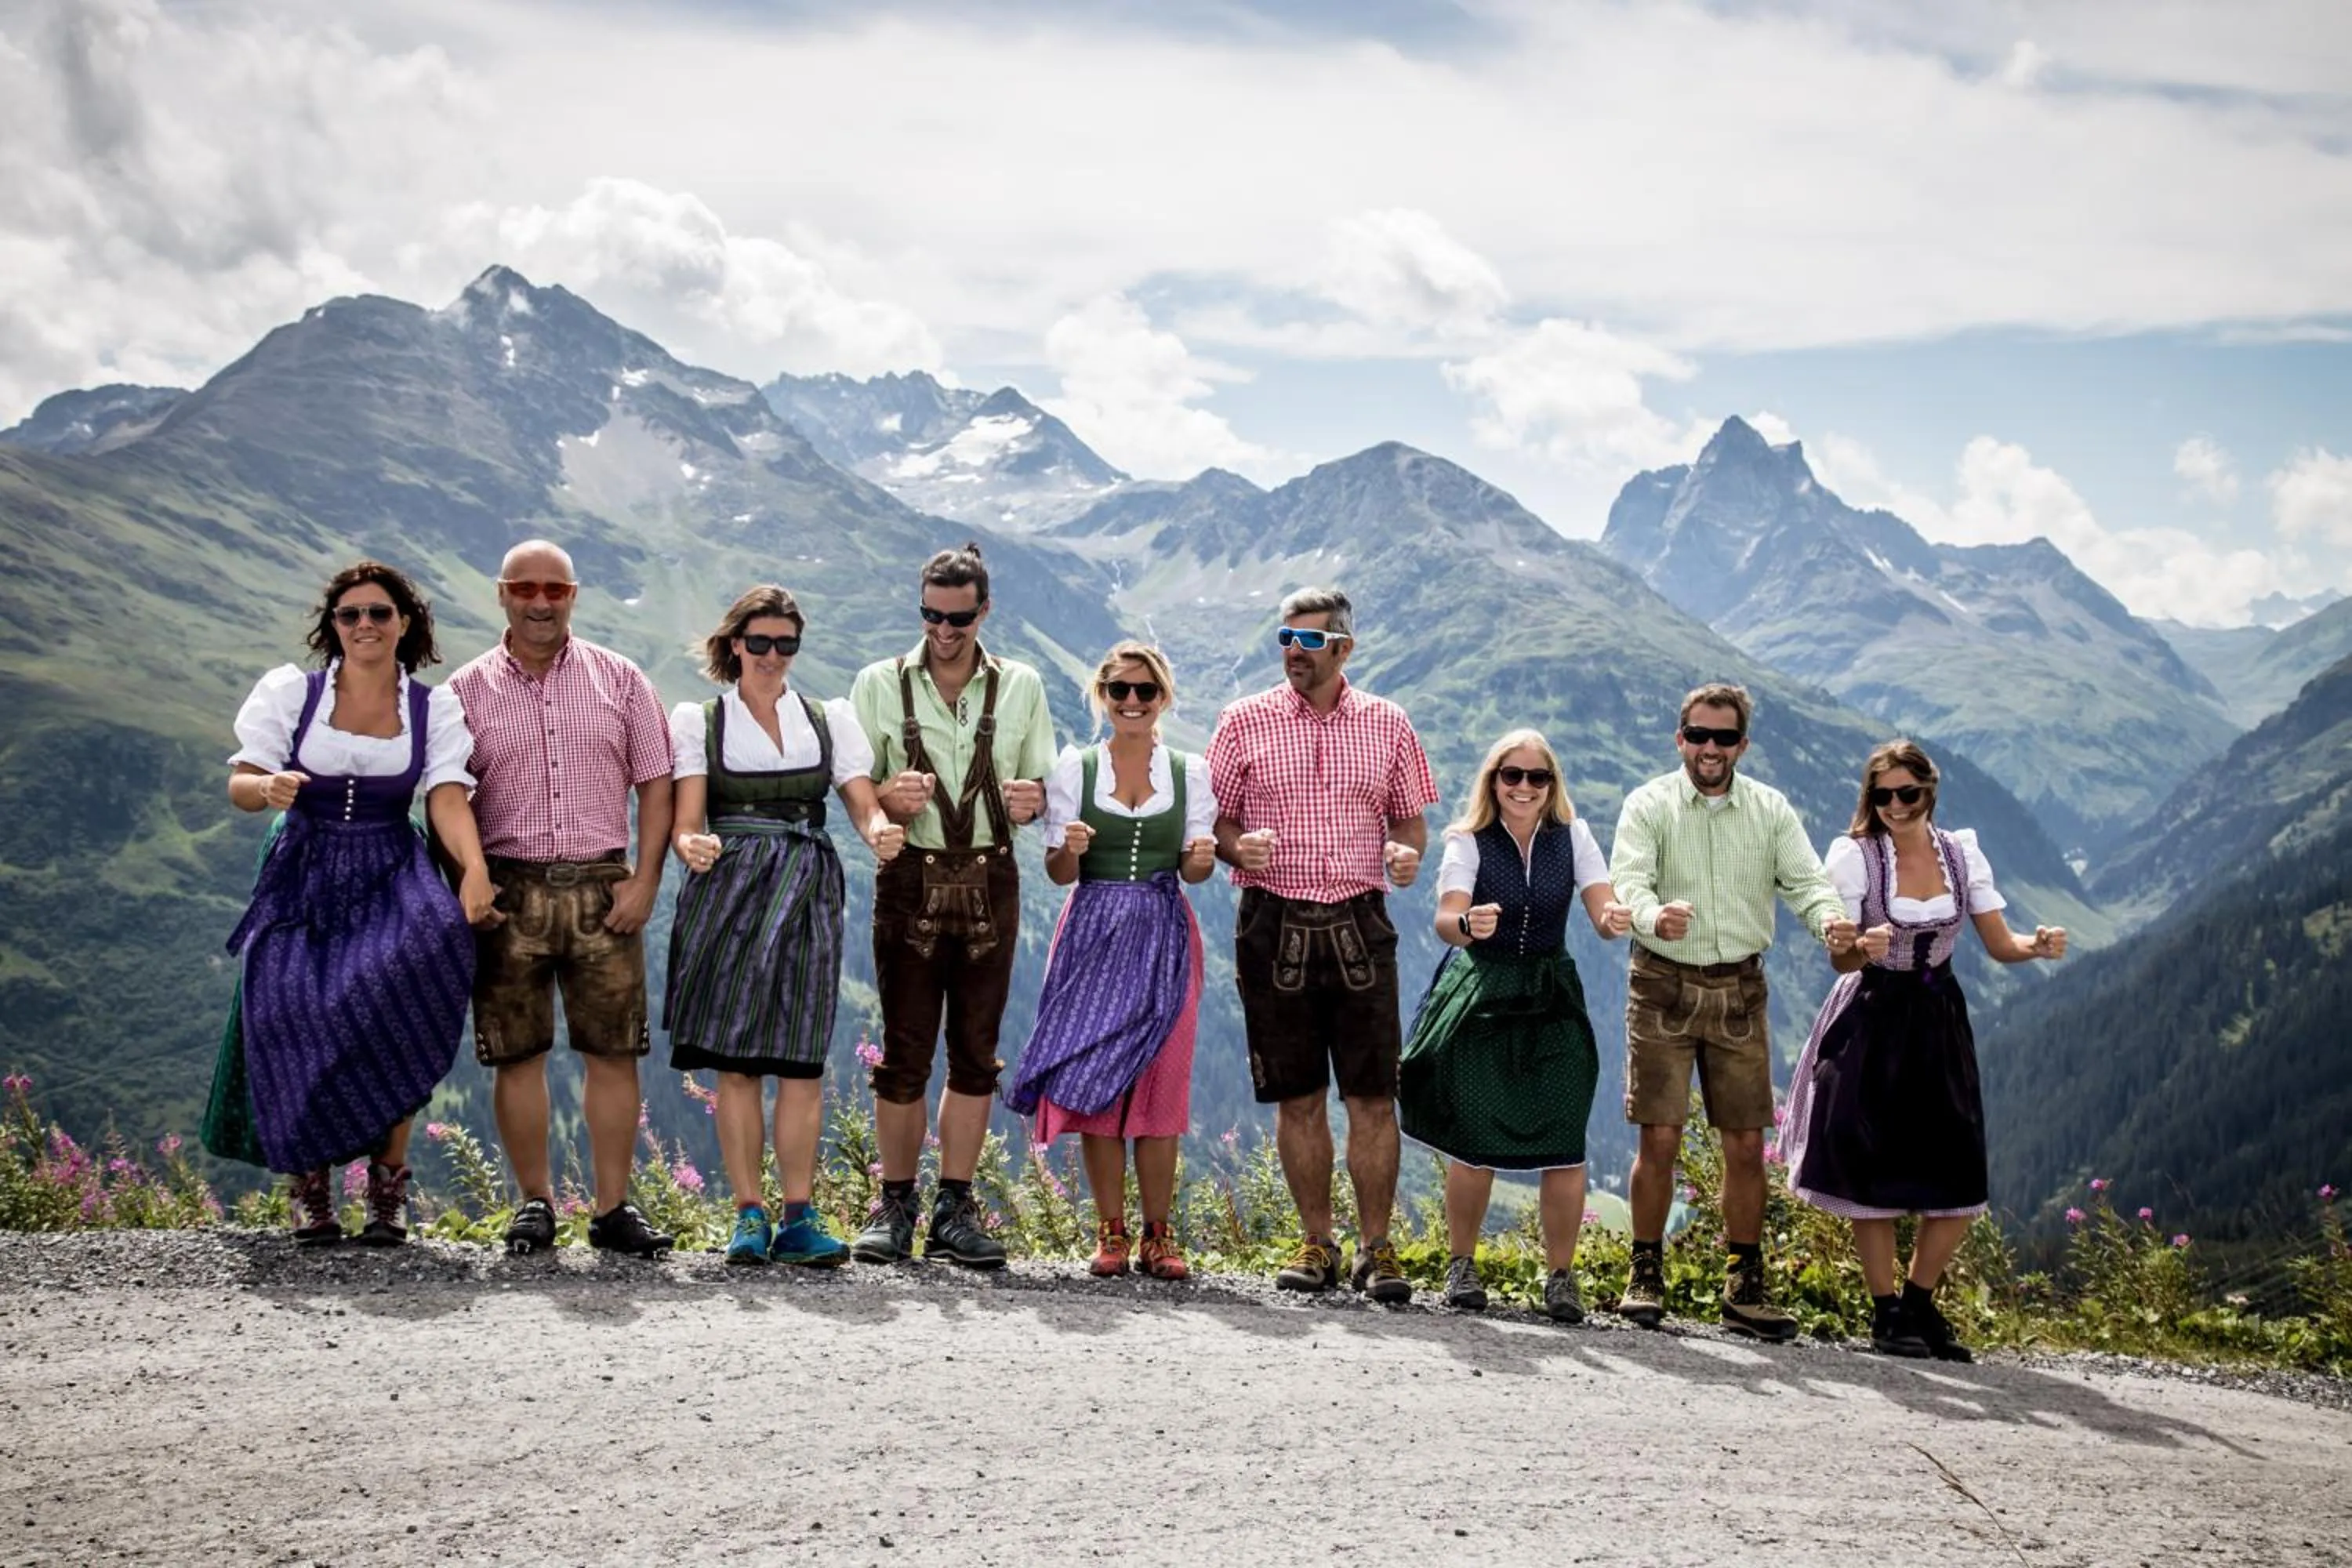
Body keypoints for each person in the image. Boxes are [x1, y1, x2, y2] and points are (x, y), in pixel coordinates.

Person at [211, 560, 495, 1246]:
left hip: (390, 862)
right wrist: (267, 789)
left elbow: (446, 796)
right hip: (304, 865)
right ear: (333, 625)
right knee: (293, 1010)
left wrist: (474, 870)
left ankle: (387, 1187)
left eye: (379, 613)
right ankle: (310, 1186)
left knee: (404, 995)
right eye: (350, 614)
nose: (364, 624)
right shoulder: (293, 693)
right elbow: (242, 784)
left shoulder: (432, 708)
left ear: (405, 623)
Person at [1781, 739, 2067, 1360]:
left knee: (1958, 1170)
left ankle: (1918, 1303)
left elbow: (2000, 944)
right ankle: (1886, 1312)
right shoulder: (1856, 856)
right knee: (1870, 1166)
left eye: (1906, 793)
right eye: (1882, 795)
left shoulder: (1961, 854)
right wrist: (1862, 947)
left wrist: (2036, 945)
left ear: (1929, 791)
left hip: (1937, 1019)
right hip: (1871, 1014)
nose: (1894, 806)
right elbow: (1840, 958)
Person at [1207, 586, 1439, 1301]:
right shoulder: (1242, 720)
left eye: (1308, 640)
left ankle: (1377, 1249)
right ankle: (1318, 1243)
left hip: (1360, 923)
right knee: (1298, 1096)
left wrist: (1405, 855)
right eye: (1286, 638)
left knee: (1372, 1096)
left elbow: (1410, 821)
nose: (1293, 652)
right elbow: (1213, 820)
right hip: (1271, 922)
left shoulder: (1388, 722)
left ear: (1343, 647)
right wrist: (1235, 848)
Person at [1608, 682, 1859, 1338]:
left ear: (1742, 745)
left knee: (1746, 1144)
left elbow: (1807, 883)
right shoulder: (1649, 804)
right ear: (1680, 739)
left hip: (1740, 989)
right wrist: (1651, 915)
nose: (1710, 748)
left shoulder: (1770, 810)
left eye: (1723, 737)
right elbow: (1628, 880)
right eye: (1698, 735)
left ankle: (1743, 1288)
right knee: (1659, 1137)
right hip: (1660, 983)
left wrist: (1831, 923)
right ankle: (1645, 1274)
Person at [448, 539, 677, 1258]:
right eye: (525, 588)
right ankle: (534, 1204)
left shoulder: (622, 678)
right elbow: (447, 791)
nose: (540, 602)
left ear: (573, 595)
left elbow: (658, 782)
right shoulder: (464, 689)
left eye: (554, 589)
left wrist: (647, 879)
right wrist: (471, 873)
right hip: (507, 892)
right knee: (517, 1055)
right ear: (502, 593)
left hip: (604, 889)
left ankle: (612, 1209)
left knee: (614, 1052)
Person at [666, 586, 906, 1267]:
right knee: (737, 1061)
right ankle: (749, 1214)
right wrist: (690, 845)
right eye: (760, 642)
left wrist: (879, 829)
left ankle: (798, 1217)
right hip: (729, 890)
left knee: (802, 1059)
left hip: (806, 888)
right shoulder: (701, 721)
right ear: (735, 644)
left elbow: (862, 802)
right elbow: (686, 821)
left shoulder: (828, 719)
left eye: (786, 643)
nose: (773, 656)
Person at [848, 543, 1055, 1268]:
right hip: (910, 876)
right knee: (904, 1050)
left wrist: (1033, 802)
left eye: (958, 618)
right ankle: (895, 1206)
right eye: (931, 615)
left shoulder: (1022, 684)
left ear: (984, 611)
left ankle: (954, 1210)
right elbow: (856, 788)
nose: (943, 630)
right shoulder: (878, 682)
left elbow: (1042, 790)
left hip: (993, 875)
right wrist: (884, 801)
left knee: (975, 1052)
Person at [1004, 641, 1220, 1281]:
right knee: (1096, 1081)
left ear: (1163, 699)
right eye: (1119, 690)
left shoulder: (1189, 772)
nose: (1131, 701)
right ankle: (1111, 1233)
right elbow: (1058, 872)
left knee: (1160, 1082)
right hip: (1093, 929)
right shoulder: (1075, 768)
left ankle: (1158, 1235)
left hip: (1163, 932)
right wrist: (1068, 848)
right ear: (1102, 696)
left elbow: (1194, 871)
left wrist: (1200, 859)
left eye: (1144, 691)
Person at [1400, 729, 1632, 1322]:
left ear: (1553, 785)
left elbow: (1602, 909)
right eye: (1512, 775)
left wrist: (1615, 918)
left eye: (1538, 777)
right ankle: (1461, 1265)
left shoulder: (1573, 836)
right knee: (1475, 1141)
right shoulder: (1468, 840)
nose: (1524, 787)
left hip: (1552, 994)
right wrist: (1467, 924)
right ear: (1494, 781)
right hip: (1484, 992)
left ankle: (1561, 1278)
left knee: (1566, 1140)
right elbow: (1446, 918)